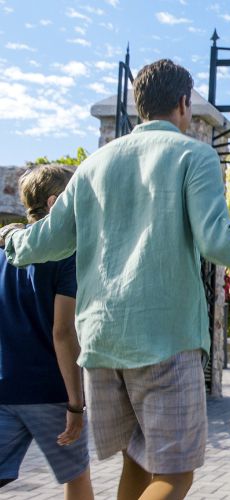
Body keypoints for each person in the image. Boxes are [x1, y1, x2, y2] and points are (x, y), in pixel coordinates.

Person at [0, 59, 230, 500]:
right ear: (185, 103)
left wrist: (10, 234)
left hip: (102, 345)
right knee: (176, 473)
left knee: (138, 463)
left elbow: (41, 244)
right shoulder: (193, 154)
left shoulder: (93, 165)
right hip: (164, 339)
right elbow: (218, 240)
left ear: (139, 104)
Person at [0, 165, 94, 499]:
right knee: (77, 477)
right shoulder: (66, 256)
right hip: (50, 392)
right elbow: (63, 333)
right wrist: (76, 404)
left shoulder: (3, 256)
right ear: (55, 204)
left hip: (5, 388)